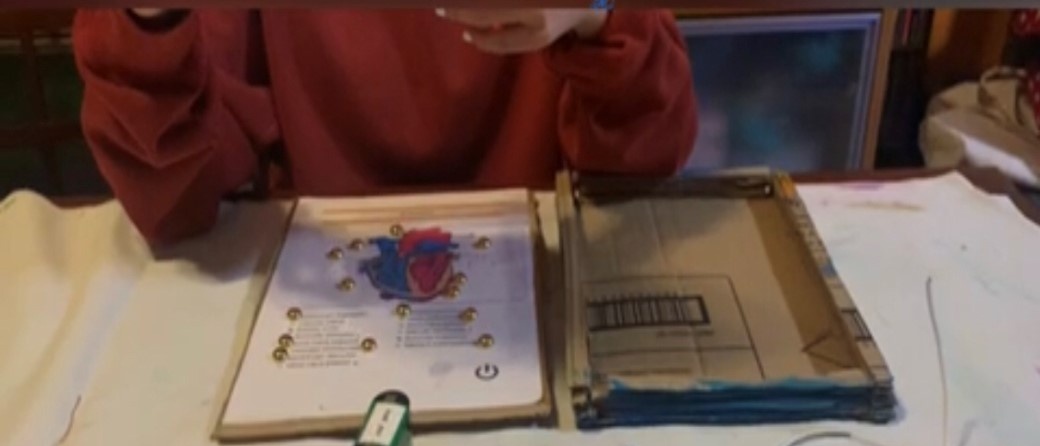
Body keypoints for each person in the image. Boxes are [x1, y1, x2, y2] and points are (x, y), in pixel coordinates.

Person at [72, 9, 697, 245]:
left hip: (540, 285)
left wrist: (596, 15)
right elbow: (175, 203)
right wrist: (149, 18)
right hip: (318, 295)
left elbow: (648, 168)